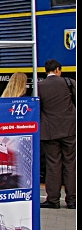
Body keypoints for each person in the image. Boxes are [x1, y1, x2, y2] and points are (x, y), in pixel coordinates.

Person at [38, 59, 76, 210]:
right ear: (58, 69)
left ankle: (53, 200)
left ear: (46, 71)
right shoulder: (68, 82)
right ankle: (72, 200)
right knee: (70, 164)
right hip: (69, 130)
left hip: (50, 132)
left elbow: (38, 109)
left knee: (53, 165)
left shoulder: (40, 86)